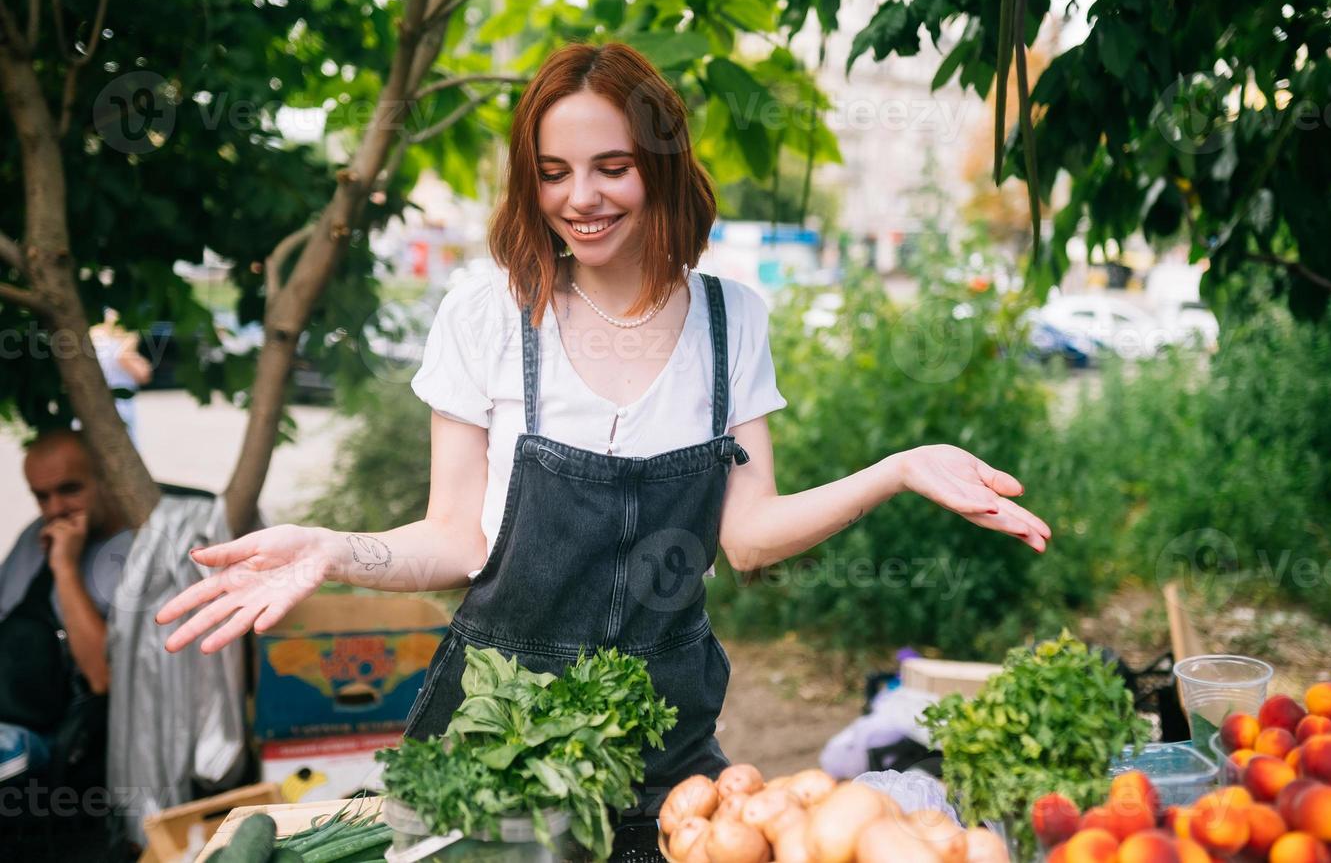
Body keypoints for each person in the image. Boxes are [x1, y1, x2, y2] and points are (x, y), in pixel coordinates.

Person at [155, 42, 1052, 859]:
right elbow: (456, 539)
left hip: (670, 756)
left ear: (659, 167)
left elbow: (749, 536)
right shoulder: (488, 314)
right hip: (493, 756)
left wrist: (895, 470)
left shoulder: (729, 319)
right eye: (552, 173)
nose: (579, 198)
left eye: (611, 167)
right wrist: (334, 549)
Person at [0, 430, 135, 783]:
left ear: (107, 477)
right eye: (42, 497)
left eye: (70, 489)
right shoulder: (35, 535)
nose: (55, 509)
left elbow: (103, 678)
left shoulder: (132, 553)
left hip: (52, 727)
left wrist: (64, 568)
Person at [89, 309, 154, 446]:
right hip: (120, 406)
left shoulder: (93, 334)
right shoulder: (127, 336)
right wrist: (145, 366)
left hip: (92, 404)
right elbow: (138, 370)